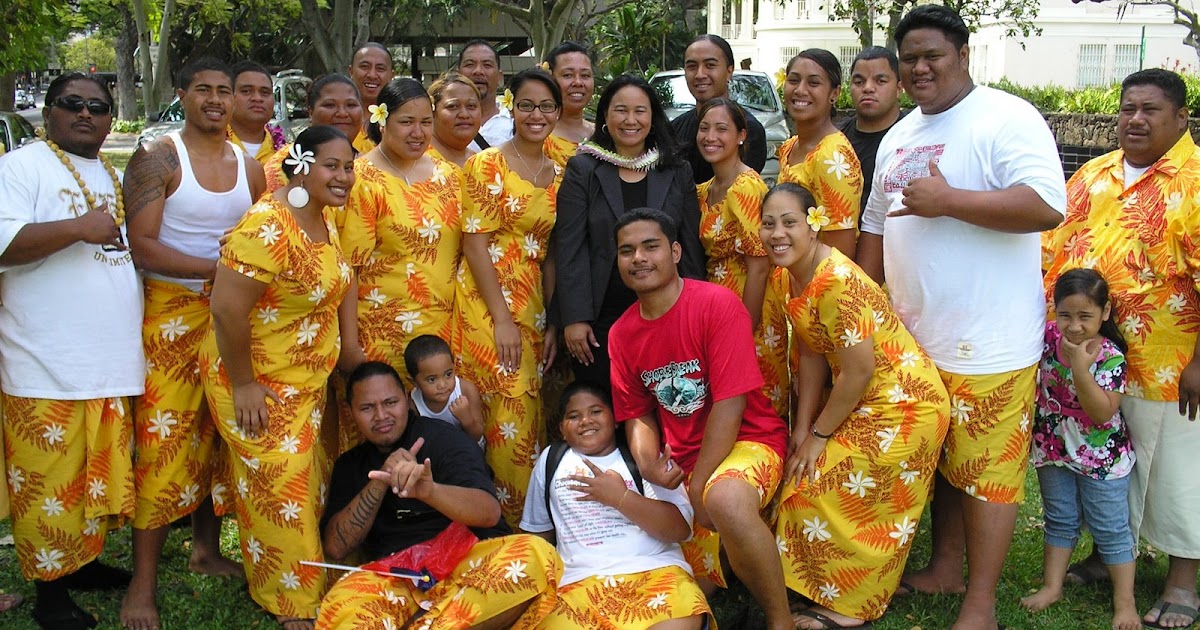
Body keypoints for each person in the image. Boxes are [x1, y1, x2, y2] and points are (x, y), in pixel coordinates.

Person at [856, 6, 1067, 630]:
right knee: (945, 459)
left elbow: (1045, 205)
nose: (920, 69)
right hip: (915, 336)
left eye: (933, 56)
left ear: (963, 54)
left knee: (989, 476)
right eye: (910, 59)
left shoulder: (1005, 117)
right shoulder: (900, 134)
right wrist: (865, 305)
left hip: (989, 339)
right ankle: (945, 568)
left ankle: (980, 605)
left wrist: (949, 201)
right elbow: (875, 223)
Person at [1041, 68, 1200, 630]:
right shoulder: (1092, 174)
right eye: (1128, 107)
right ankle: (1108, 558)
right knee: (1108, 466)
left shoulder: (1196, 181)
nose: (1135, 119)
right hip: (1089, 358)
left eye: (1151, 109)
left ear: (1181, 118)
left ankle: (1183, 581)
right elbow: (1050, 247)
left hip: (1169, 364)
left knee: (1175, 471)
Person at [762, 183, 949, 629]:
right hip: (863, 400)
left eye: (789, 222)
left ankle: (850, 606)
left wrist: (820, 436)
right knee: (801, 479)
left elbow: (859, 372)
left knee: (818, 488)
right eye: (768, 223)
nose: (777, 233)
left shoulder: (837, 282)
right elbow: (810, 354)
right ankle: (820, 585)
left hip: (903, 406)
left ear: (814, 223)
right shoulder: (791, 275)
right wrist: (802, 428)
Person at [122, 57, 265, 630]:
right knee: (164, 446)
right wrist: (219, 273)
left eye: (223, 91)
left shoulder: (251, 168)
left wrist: (233, 288)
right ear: (181, 94)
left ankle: (206, 550)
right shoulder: (158, 157)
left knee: (217, 436)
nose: (214, 99)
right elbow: (144, 247)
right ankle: (142, 586)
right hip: (172, 320)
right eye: (202, 89)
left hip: (229, 320)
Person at [200, 125, 358, 629]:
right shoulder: (269, 224)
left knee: (301, 482)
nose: (343, 176)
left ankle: (298, 575)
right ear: (301, 165)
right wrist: (245, 384)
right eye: (331, 166)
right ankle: (293, 604)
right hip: (254, 381)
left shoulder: (321, 219)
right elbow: (226, 311)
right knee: (279, 485)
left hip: (304, 381)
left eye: (349, 167)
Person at [0, 72, 142, 630]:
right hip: (45, 362)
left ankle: (80, 563)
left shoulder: (107, 170)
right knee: (47, 483)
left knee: (90, 479)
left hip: (104, 361)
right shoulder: (21, 167)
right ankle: (50, 596)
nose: (87, 114)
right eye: (71, 104)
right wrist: (80, 227)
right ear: (47, 112)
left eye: (98, 107)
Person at [607, 208, 791, 630]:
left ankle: (782, 622)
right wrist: (648, 460)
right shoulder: (621, 333)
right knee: (686, 584)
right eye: (627, 250)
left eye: (650, 246)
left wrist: (699, 483)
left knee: (724, 498)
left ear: (675, 252)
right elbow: (637, 414)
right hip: (682, 460)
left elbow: (731, 403)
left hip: (748, 440)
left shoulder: (716, 304)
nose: (638, 258)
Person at [316, 361, 561, 629]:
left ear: (407, 400)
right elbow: (336, 547)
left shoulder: (444, 439)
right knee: (344, 600)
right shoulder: (350, 464)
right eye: (367, 408)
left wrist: (430, 492)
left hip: (468, 567)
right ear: (351, 412)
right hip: (399, 579)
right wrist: (380, 482)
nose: (381, 415)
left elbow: (489, 513)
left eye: (390, 402)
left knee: (535, 554)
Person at [456, 68, 562, 526]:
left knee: (524, 411)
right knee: (506, 408)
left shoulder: (563, 167)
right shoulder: (487, 165)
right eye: (526, 105)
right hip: (487, 298)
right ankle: (505, 525)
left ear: (558, 112)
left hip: (534, 303)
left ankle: (520, 520)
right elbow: (474, 244)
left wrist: (553, 319)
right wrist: (501, 318)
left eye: (545, 107)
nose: (536, 115)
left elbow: (556, 251)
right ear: (510, 108)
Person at [553, 74, 706, 390]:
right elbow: (570, 246)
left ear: (652, 117)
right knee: (607, 402)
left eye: (640, 111)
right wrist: (575, 318)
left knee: (667, 401)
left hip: (666, 309)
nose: (631, 120)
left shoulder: (675, 169)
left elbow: (689, 244)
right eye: (621, 110)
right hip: (601, 315)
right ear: (606, 116)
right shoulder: (584, 169)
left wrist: (695, 313)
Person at [521, 382, 712, 629]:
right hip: (578, 582)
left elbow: (680, 530)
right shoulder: (552, 460)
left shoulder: (645, 457)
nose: (586, 420)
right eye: (574, 416)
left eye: (596, 411)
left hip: (654, 572)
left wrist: (620, 498)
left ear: (616, 419)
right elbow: (537, 537)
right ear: (562, 429)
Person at [1019, 269, 1138, 630]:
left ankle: (1125, 603)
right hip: (1054, 447)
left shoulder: (1111, 356)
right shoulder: (1046, 337)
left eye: (1085, 316)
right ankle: (1052, 586)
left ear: (1105, 312)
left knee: (1111, 528)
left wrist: (1081, 370)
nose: (1073, 326)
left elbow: (1102, 413)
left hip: (1100, 457)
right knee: (1060, 518)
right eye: (1065, 314)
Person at [694, 97, 788, 418]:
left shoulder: (745, 187)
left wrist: (744, 332)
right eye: (704, 128)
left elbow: (760, 266)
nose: (711, 137)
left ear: (741, 136)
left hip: (750, 310)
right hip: (718, 311)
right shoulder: (704, 190)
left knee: (756, 411)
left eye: (722, 129)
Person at [778, 49, 862, 259]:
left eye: (813, 83)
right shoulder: (790, 147)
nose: (800, 90)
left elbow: (839, 257)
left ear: (834, 94)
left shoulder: (833, 156)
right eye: (793, 80)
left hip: (819, 285)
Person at [671, 34, 767, 184]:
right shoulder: (675, 128)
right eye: (692, 66)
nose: (700, 74)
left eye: (710, 65)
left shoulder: (748, 129)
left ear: (729, 71)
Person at [837, 47, 906, 216]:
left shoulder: (912, 139)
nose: (868, 88)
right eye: (859, 82)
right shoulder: (836, 140)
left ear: (899, 88)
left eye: (880, 81)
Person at [265, 74, 363, 192]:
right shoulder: (282, 166)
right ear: (310, 112)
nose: (342, 113)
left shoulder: (373, 166)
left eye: (351, 105)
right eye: (330, 105)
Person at [403, 334, 485, 444]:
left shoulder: (466, 391)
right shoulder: (413, 404)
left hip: (470, 452)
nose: (442, 385)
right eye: (432, 379)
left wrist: (467, 420)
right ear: (414, 382)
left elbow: (477, 436)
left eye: (448, 374)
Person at [543, 41, 595, 167]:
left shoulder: (605, 133)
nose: (578, 82)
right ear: (550, 78)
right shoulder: (540, 138)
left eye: (585, 75)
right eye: (568, 75)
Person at [228, 60, 287, 164]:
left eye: (265, 92)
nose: (257, 98)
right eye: (246, 91)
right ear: (229, 96)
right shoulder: (208, 145)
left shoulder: (287, 156)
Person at [459, 39, 511, 150]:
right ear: (458, 74)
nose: (478, 71)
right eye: (469, 65)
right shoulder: (442, 122)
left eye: (487, 65)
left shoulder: (514, 121)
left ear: (499, 77)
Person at [427, 72, 482, 168]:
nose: (464, 115)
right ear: (432, 112)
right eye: (452, 106)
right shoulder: (419, 159)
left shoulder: (480, 163)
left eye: (471, 106)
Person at [348, 42, 395, 153]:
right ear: (351, 71)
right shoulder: (340, 117)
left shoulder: (398, 120)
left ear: (391, 76)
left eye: (380, 69)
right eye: (364, 67)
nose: (372, 75)